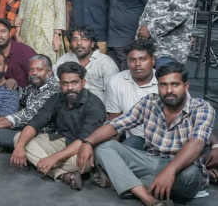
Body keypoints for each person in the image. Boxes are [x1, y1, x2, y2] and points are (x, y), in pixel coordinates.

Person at [77, 62, 215, 205]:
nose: (169, 90)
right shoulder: (150, 102)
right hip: (151, 162)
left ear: (186, 86)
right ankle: (147, 197)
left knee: (189, 174)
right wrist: (87, 142)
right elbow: (116, 125)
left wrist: (170, 170)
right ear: (158, 86)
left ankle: (121, 181)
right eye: (163, 85)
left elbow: (196, 144)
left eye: (175, 84)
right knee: (103, 146)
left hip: (183, 168)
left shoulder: (202, 108)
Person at [10, 62, 106, 191]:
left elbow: (84, 141)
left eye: (74, 83)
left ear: (83, 82)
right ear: (60, 84)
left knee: (83, 163)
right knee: (19, 138)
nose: (69, 87)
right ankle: (62, 175)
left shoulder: (95, 105)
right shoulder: (58, 98)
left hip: (83, 148)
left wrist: (53, 158)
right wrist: (20, 147)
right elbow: (36, 122)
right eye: (65, 83)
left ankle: (43, 163)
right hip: (61, 141)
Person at [0, 54, 60, 152]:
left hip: (44, 134)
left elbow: (28, 114)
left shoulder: (53, 89)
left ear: (49, 72)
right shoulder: (36, 85)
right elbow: (21, 96)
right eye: (31, 70)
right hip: (28, 128)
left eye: (39, 69)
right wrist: (14, 85)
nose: (34, 73)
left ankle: (23, 148)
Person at [104, 39, 158, 150]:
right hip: (137, 138)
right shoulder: (116, 81)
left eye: (143, 59)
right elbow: (115, 120)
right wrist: (112, 149)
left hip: (164, 136)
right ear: (127, 62)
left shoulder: (165, 81)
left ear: (152, 61)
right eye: (132, 60)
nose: (137, 64)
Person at [54, 25, 119, 102]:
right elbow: (55, 84)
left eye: (84, 39)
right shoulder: (65, 59)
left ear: (93, 43)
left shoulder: (106, 63)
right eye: (75, 39)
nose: (79, 43)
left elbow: (113, 95)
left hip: (96, 106)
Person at [0, 18, 37, 89]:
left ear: (10, 33)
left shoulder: (25, 52)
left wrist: (17, 85)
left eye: (3, 31)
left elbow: (39, 81)